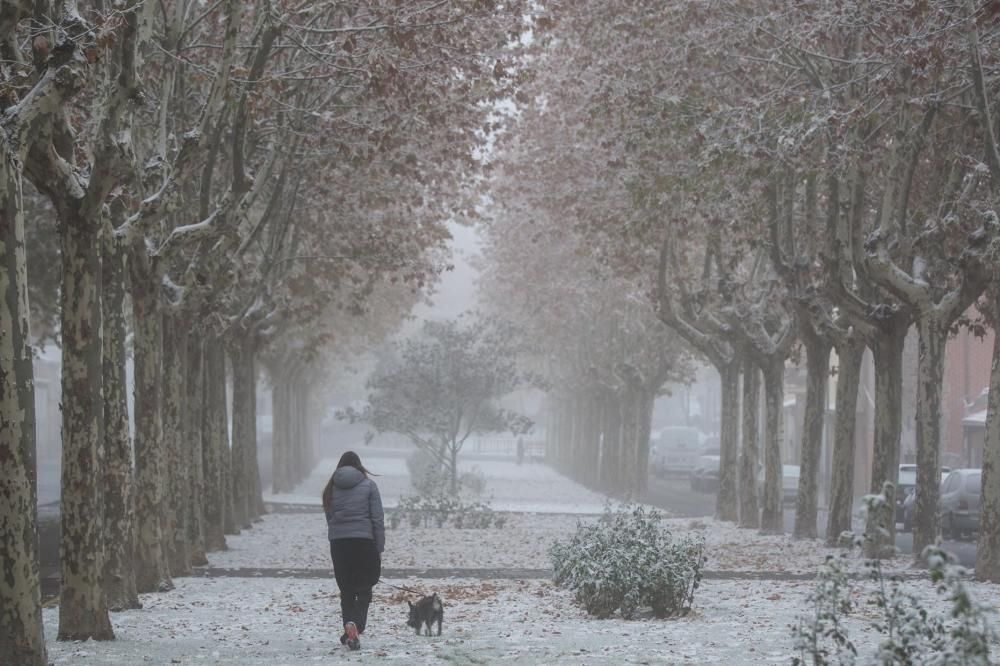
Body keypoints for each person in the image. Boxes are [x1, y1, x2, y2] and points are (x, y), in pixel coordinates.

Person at [322, 451, 385, 651]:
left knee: (346, 590)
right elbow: (377, 519)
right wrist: (379, 546)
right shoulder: (369, 486)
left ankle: (350, 630)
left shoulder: (330, 488)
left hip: (339, 544)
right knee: (365, 588)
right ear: (359, 466)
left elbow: (330, 518)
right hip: (363, 542)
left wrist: (337, 535)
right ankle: (356, 624)